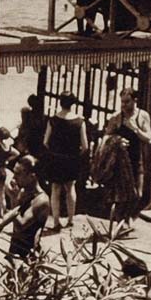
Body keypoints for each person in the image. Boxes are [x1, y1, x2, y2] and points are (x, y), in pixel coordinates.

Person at [42, 91, 88, 230]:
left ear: (60, 102)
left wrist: (54, 151)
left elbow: (45, 142)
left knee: (55, 189)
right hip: (71, 159)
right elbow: (85, 146)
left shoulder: (52, 120)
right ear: (73, 104)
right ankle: (70, 220)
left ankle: (56, 222)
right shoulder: (80, 122)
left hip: (56, 158)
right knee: (70, 188)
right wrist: (75, 154)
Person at [0, 155, 50, 259]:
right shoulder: (23, 192)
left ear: (32, 176)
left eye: (18, 174)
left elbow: (21, 226)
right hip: (15, 251)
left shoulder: (41, 200)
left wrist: (14, 199)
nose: (14, 178)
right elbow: (14, 218)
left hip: (28, 257)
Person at [105, 88, 151, 197]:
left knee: (137, 194)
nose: (123, 105)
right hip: (119, 161)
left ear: (135, 100)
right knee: (118, 195)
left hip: (136, 159)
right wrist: (117, 140)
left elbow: (149, 138)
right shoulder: (116, 117)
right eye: (122, 102)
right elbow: (106, 138)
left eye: (127, 102)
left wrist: (135, 129)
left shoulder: (142, 116)